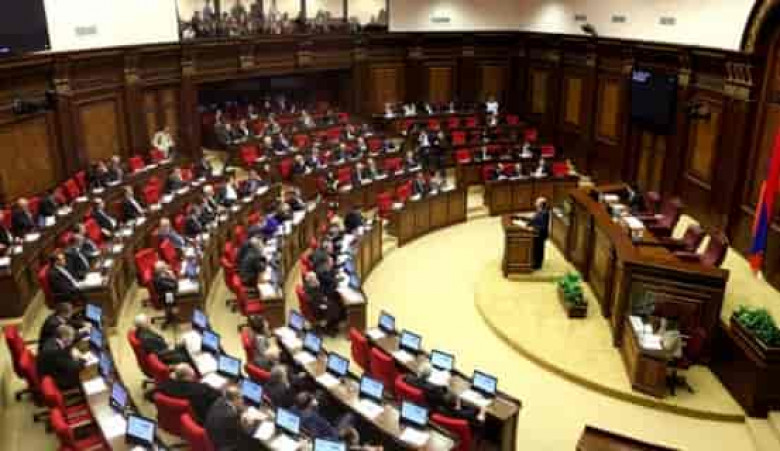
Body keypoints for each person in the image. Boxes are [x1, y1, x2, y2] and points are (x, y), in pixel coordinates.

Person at [155, 364, 220, 423]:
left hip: (175, 419)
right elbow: (219, 396)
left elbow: (151, 394)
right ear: (188, 377)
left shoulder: (167, 386)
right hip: (202, 419)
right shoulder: (201, 389)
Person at [204, 385, 254, 450]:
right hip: (225, 445)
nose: (243, 400)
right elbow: (242, 432)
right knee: (252, 439)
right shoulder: (230, 416)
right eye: (241, 397)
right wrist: (249, 424)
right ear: (235, 399)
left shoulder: (219, 400)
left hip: (212, 436)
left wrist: (239, 409)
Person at [36, 325, 85, 390]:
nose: (71, 342)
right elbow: (74, 366)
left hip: (50, 371)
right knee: (84, 375)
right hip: (57, 381)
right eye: (71, 339)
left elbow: (65, 351)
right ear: (64, 338)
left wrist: (71, 350)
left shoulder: (52, 340)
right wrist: (82, 359)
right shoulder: (55, 353)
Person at [153, 262, 179, 326]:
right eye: (165, 266)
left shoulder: (162, 275)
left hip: (168, 294)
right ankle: (170, 316)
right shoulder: (160, 279)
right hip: (167, 296)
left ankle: (170, 314)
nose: (167, 266)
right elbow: (175, 285)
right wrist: (172, 276)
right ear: (162, 269)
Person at [528, 197, 550, 270]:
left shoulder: (544, 213)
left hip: (540, 234)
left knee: (539, 249)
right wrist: (528, 223)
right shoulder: (539, 211)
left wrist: (533, 228)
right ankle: (535, 262)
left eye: (536, 202)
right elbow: (534, 220)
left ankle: (538, 265)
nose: (535, 203)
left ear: (540, 204)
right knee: (536, 249)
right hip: (537, 233)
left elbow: (542, 226)